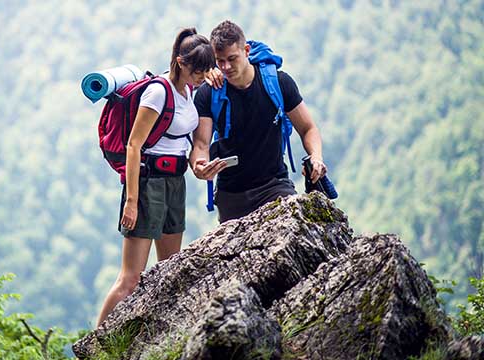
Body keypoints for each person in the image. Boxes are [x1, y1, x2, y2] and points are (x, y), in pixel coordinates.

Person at [96, 28, 215, 327]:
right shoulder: (158, 92)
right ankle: (93, 344)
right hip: (148, 184)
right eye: (197, 70)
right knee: (131, 279)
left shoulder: (190, 91)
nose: (202, 76)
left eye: (205, 71)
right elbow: (134, 145)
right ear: (180, 62)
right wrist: (132, 201)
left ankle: (160, 335)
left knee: (170, 271)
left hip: (176, 183)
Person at [190, 20, 328, 223]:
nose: (226, 67)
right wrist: (198, 165)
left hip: (275, 186)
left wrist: (316, 156)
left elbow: (308, 128)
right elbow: (201, 144)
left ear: (246, 50)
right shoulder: (208, 94)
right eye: (220, 61)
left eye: (232, 58)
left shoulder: (278, 83)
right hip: (231, 195)